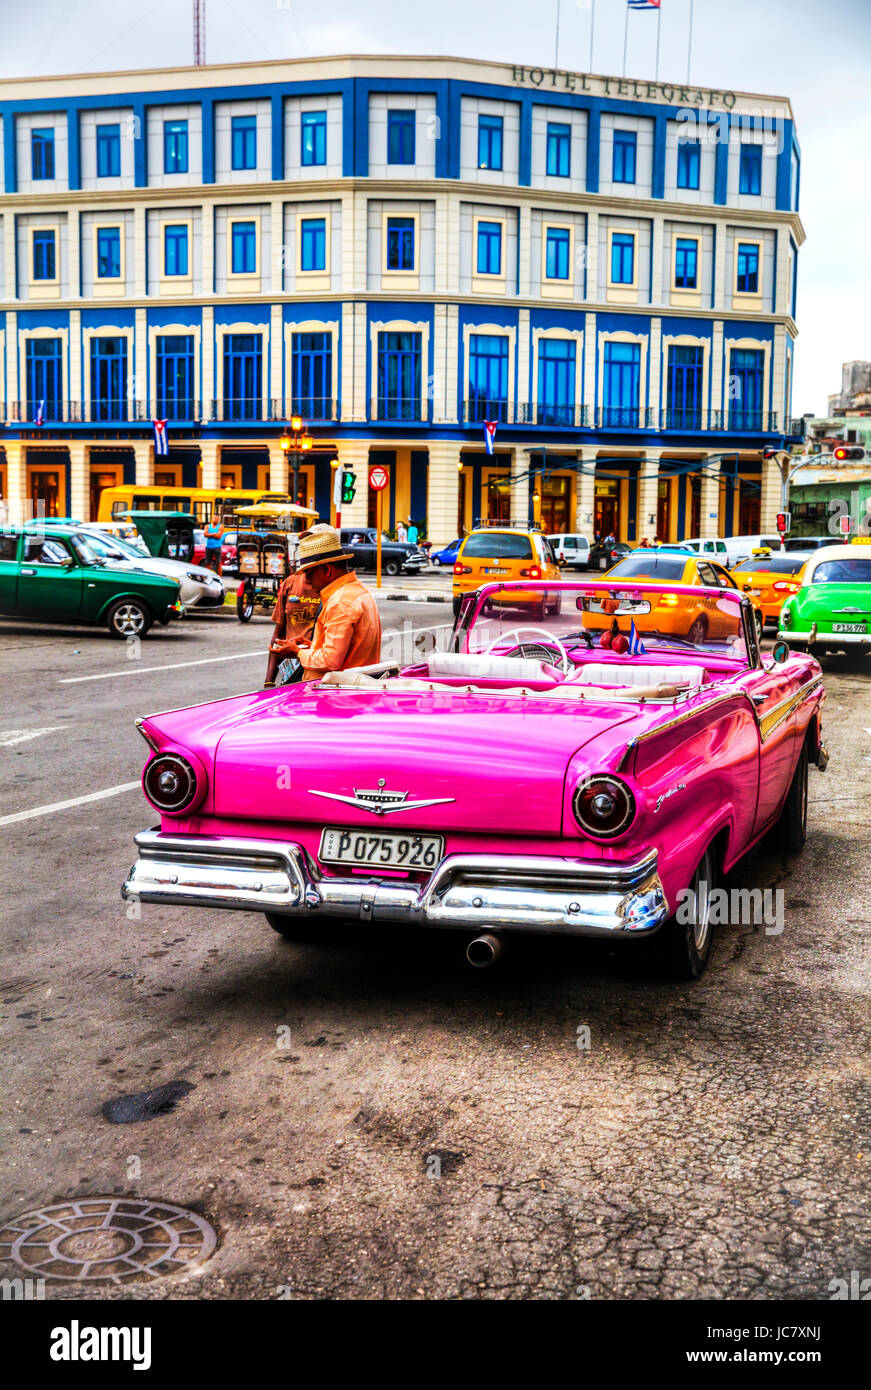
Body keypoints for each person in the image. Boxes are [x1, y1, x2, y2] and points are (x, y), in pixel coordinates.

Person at [269, 530, 381, 681]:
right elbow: (346, 650)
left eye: (309, 574)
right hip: (353, 687)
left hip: (337, 695)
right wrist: (311, 646)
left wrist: (298, 652)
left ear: (327, 570)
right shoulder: (358, 591)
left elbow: (330, 660)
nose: (307, 581)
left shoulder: (340, 602)